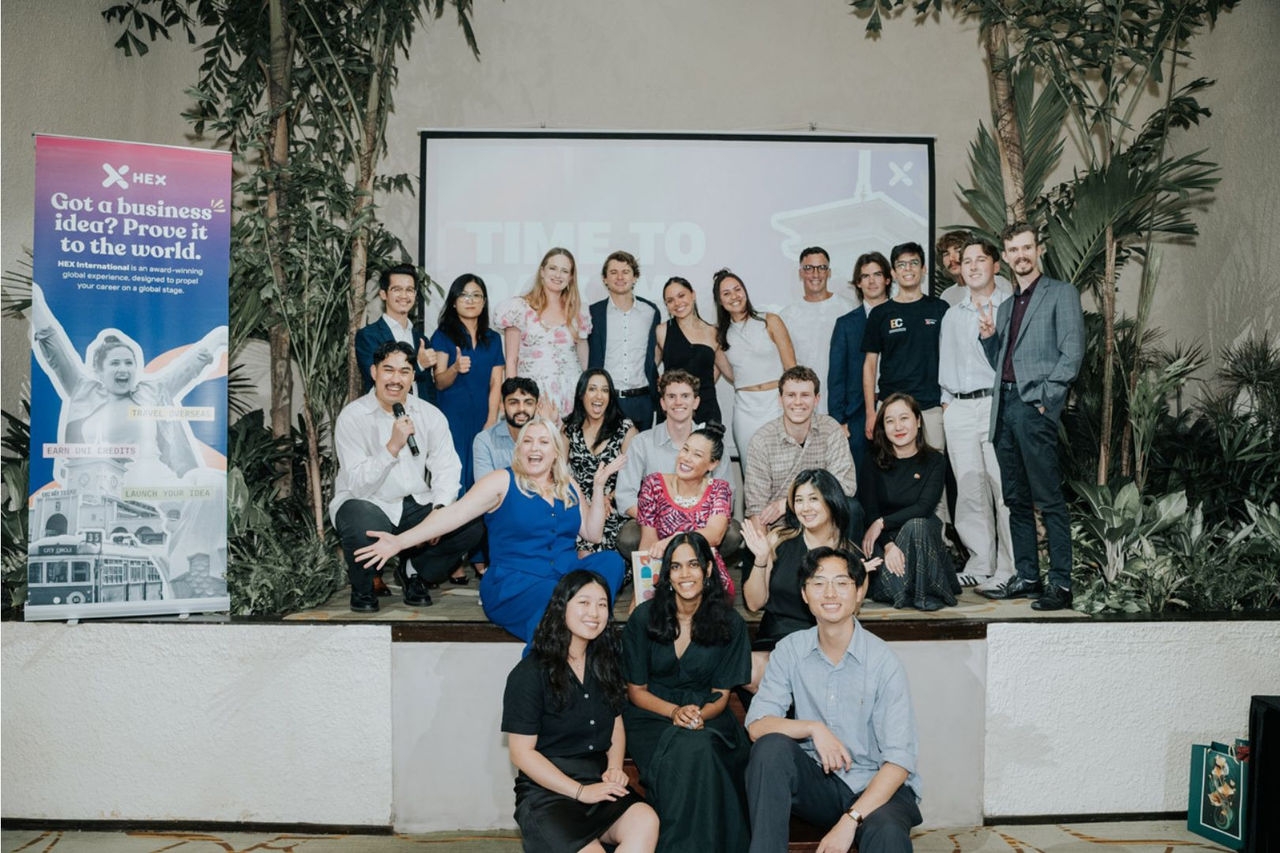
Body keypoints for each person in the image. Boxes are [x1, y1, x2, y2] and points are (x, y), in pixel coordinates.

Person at [354, 416, 627, 646]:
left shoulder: (568, 487)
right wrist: (399, 542)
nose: (535, 448)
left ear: (555, 451)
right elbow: (451, 515)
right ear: (518, 450)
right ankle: (557, 658)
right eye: (528, 441)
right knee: (558, 599)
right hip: (515, 584)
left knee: (612, 561)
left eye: (543, 442)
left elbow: (592, 533)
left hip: (565, 579)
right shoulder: (502, 481)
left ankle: (584, 625)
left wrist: (599, 486)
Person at [745, 546, 923, 853]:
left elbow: (898, 762)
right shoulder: (790, 650)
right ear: (805, 594)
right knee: (770, 749)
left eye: (841, 583)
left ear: (857, 593)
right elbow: (757, 726)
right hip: (822, 786)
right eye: (818, 583)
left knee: (888, 833)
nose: (830, 593)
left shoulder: (883, 661)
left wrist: (850, 820)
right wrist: (813, 728)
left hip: (877, 787)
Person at [501, 570, 659, 853]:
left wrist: (613, 768)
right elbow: (521, 753)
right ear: (562, 607)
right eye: (584, 602)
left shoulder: (606, 663)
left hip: (596, 784)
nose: (594, 612)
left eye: (601, 604)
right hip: (547, 796)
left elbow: (616, 722)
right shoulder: (529, 674)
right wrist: (580, 792)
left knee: (645, 820)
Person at [978, 222, 1085, 612]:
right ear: (1005, 257)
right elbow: (1001, 364)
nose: (1020, 255)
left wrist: (1044, 399)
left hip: (1032, 408)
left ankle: (1060, 585)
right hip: (1003, 409)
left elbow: (1071, 353)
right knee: (1015, 500)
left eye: (1026, 248)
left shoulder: (1062, 293)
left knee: (1049, 499)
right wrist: (990, 338)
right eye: (1013, 250)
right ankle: (1027, 577)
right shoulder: (1006, 307)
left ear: (1038, 250)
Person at [621, 533, 752, 853]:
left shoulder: (730, 623)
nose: (685, 574)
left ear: (708, 569)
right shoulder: (643, 617)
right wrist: (673, 713)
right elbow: (636, 691)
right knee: (691, 751)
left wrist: (696, 715)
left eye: (693, 564)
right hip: (652, 715)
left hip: (708, 713)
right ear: (667, 574)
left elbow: (722, 694)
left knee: (702, 747)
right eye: (676, 566)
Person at [331, 341, 484, 612]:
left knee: (470, 523)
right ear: (374, 372)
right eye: (388, 370)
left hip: (414, 503)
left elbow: (447, 468)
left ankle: (414, 571)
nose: (396, 379)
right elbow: (356, 483)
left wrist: (440, 510)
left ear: (413, 376)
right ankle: (363, 588)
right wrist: (392, 447)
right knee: (360, 519)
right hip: (368, 501)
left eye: (404, 371)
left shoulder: (429, 414)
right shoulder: (353, 416)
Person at [938, 236, 1015, 591]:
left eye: (979, 259)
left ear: (995, 265)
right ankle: (980, 561)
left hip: (995, 404)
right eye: (965, 261)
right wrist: (947, 401)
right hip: (958, 407)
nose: (971, 266)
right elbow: (946, 360)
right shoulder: (952, 314)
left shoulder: (1010, 307)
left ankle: (1009, 567)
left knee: (1002, 487)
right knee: (969, 489)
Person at [741, 469, 863, 691]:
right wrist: (760, 559)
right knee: (747, 670)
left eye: (813, 499)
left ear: (831, 500)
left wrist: (859, 582)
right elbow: (754, 603)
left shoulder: (850, 555)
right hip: (776, 640)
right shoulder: (778, 539)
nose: (805, 508)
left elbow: (849, 617)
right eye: (799, 500)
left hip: (822, 643)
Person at [614, 370, 735, 557]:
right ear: (662, 403)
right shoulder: (642, 442)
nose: (678, 402)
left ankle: (709, 572)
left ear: (696, 402)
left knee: (733, 534)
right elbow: (624, 496)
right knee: (628, 536)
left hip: (703, 522)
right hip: (652, 522)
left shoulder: (713, 443)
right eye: (671, 396)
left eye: (685, 396)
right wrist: (665, 519)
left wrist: (686, 523)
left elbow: (727, 495)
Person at [859, 393, 959, 611]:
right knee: (909, 528)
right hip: (884, 540)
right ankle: (913, 590)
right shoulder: (871, 461)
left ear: (918, 421)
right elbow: (870, 510)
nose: (898, 427)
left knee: (918, 524)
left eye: (904, 418)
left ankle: (918, 591)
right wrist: (888, 544)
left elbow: (923, 507)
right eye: (889, 421)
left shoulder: (935, 461)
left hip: (922, 534)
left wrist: (882, 523)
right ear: (883, 428)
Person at [743, 366, 860, 535]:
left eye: (805, 395)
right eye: (791, 395)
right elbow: (757, 510)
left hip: (824, 520)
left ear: (817, 399)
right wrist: (764, 556)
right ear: (780, 399)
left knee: (853, 508)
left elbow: (846, 485)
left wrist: (789, 502)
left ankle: (846, 560)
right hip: (783, 528)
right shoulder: (761, 441)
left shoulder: (831, 429)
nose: (798, 402)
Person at [861, 242, 949, 451]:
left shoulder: (940, 309)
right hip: (891, 406)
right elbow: (870, 365)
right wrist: (871, 413)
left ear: (923, 269)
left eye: (914, 263)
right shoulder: (880, 314)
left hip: (931, 407)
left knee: (934, 474)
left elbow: (952, 359)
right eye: (901, 264)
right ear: (893, 272)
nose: (908, 269)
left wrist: (948, 405)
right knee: (892, 474)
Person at [635, 424, 735, 596]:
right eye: (685, 450)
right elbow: (648, 542)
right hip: (665, 570)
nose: (686, 458)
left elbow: (715, 534)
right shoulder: (654, 484)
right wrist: (642, 589)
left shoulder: (719, 489)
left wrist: (674, 540)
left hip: (705, 573)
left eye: (697, 455)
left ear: (712, 464)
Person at [430, 273, 505, 493]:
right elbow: (439, 382)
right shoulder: (443, 334)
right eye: (464, 295)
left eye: (476, 295)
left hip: (483, 417)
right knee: (453, 477)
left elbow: (496, 382)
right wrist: (455, 368)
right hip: (452, 417)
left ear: (484, 302)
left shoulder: (493, 338)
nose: (470, 300)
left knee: (481, 477)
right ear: (453, 302)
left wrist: (492, 419)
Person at [497, 247, 591, 419]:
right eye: (553, 268)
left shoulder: (579, 312)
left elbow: (583, 361)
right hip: (533, 395)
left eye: (564, 271)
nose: (558, 275)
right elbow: (511, 360)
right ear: (542, 271)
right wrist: (514, 399)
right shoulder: (519, 308)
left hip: (571, 394)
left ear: (571, 277)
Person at [713, 267, 796, 461]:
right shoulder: (719, 335)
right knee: (751, 470)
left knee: (784, 465)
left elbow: (792, 369)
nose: (734, 296)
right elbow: (732, 375)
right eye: (726, 293)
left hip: (776, 405)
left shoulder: (770, 320)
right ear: (720, 301)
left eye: (737, 289)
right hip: (745, 410)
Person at [829, 251, 891, 471]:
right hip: (855, 415)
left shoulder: (900, 316)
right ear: (858, 282)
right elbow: (836, 377)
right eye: (865, 276)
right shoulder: (846, 324)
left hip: (895, 408)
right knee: (860, 482)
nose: (872, 281)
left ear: (888, 278)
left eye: (877, 274)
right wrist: (839, 421)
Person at [564, 369, 637, 554]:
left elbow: (634, 478)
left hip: (611, 506)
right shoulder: (569, 429)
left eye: (605, 390)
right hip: (578, 506)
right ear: (581, 394)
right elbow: (557, 473)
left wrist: (609, 497)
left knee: (592, 553)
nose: (599, 395)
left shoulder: (625, 429)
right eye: (592, 389)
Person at [588, 250, 660, 429]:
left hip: (642, 401)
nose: (620, 277)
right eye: (613, 272)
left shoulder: (650, 311)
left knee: (641, 456)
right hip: (605, 401)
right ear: (605, 278)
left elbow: (656, 351)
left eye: (625, 272)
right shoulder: (593, 313)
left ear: (635, 277)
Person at [355, 263, 437, 403]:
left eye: (409, 290)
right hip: (384, 415)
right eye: (397, 289)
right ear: (383, 294)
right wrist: (419, 365)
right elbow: (377, 378)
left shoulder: (421, 339)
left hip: (420, 416)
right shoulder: (368, 336)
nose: (404, 295)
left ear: (415, 295)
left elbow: (427, 387)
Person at [780, 246, 855, 398]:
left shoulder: (848, 308)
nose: (815, 274)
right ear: (801, 273)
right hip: (803, 402)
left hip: (841, 400)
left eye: (821, 268)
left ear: (829, 272)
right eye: (808, 268)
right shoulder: (787, 315)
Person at [654, 276, 722, 426]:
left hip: (706, 410)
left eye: (681, 295)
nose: (677, 303)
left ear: (693, 294)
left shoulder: (713, 332)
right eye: (670, 300)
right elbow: (649, 369)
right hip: (673, 412)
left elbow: (726, 370)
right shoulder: (662, 331)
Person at [473, 376, 540, 481]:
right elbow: (485, 489)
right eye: (513, 403)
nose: (521, 409)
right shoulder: (485, 440)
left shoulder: (547, 438)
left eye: (528, 403)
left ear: (537, 406)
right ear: (502, 406)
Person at [935, 229, 971, 308]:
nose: (951, 258)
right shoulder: (947, 296)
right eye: (946, 254)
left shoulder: (995, 284)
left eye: (958, 251)